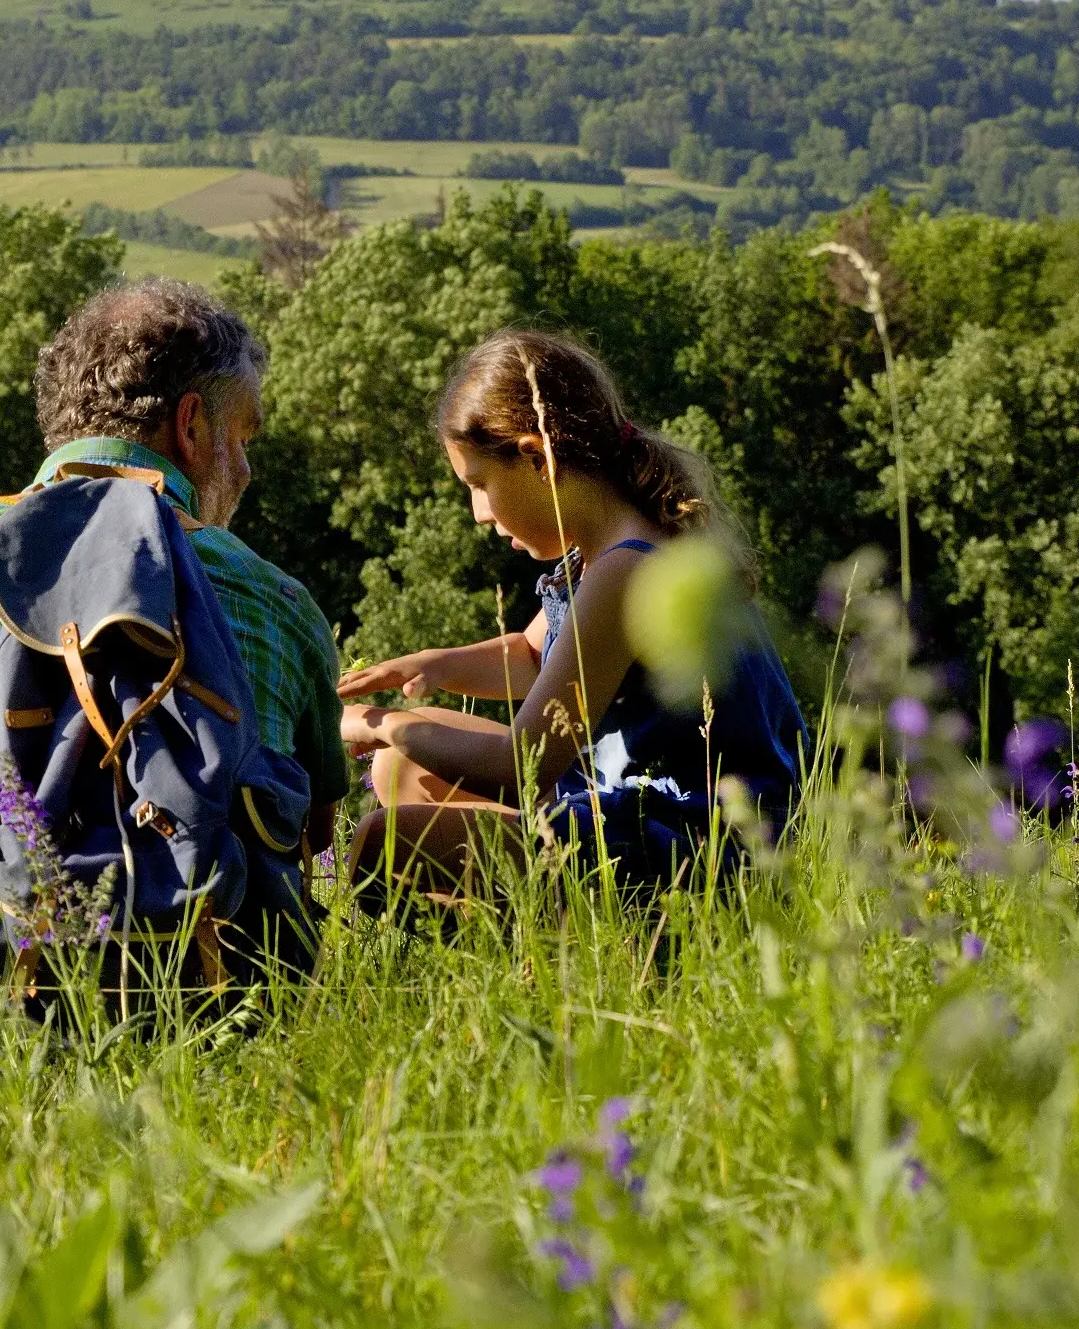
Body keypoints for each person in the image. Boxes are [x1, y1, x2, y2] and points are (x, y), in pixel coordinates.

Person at [0, 276, 348, 863]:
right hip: (200, 948)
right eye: (242, 438)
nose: (245, 471)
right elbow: (309, 834)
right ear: (190, 426)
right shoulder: (281, 603)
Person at [337, 329, 805, 905]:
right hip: (635, 799)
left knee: (384, 845)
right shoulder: (611, 548)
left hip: (704, 841)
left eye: (479, 484)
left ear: (536, 457)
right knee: (397, 772)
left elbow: (521, 767)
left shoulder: (627, 571)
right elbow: (535, 657)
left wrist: (379, 723)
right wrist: (430, 666)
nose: (478, 513)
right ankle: (540, 924)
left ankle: (549, 951)